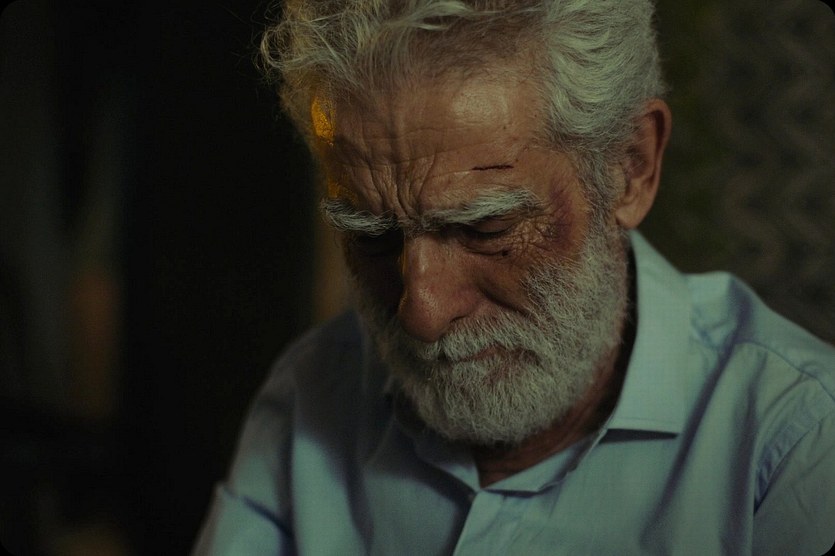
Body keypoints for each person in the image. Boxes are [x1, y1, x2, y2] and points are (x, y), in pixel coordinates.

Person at [193, 1, 835, 553]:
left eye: (484, 228)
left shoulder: (796, 448)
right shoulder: (311, 395)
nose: (422, 311)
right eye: (372, 235)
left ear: (630, 166)